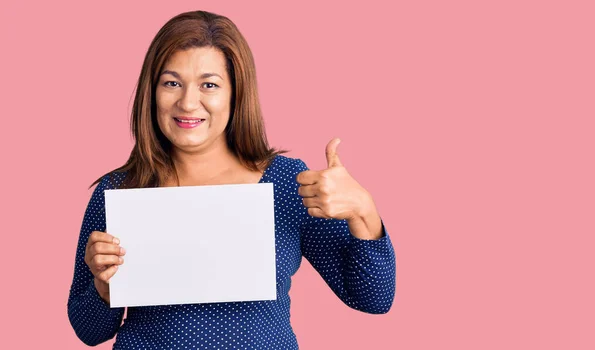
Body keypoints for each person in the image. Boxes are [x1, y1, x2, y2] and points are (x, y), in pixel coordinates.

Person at [67, 10, 396, 349]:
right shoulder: (119, 191)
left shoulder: (284, 183)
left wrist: (363, 211)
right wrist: (103, 287)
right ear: (152, 92)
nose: (188, 102)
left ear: (236, 94)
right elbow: (88, 331)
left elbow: (373, 299)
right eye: (171, 83)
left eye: (209, 85)